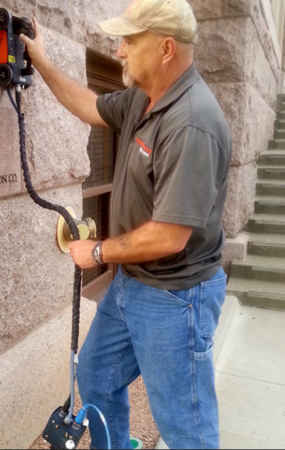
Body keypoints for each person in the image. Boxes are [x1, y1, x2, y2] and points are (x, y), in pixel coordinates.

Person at [20, 0, 232, 448]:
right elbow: (89, 105)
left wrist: (96, 252)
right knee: (96, 379)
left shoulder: (191, 123)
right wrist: (40, 61)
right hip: (132, 284)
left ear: (166, 48)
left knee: (185, 427)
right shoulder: (143, 98)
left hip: (176, 297)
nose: (119, 51)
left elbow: (170, 236)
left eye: (130, 41)